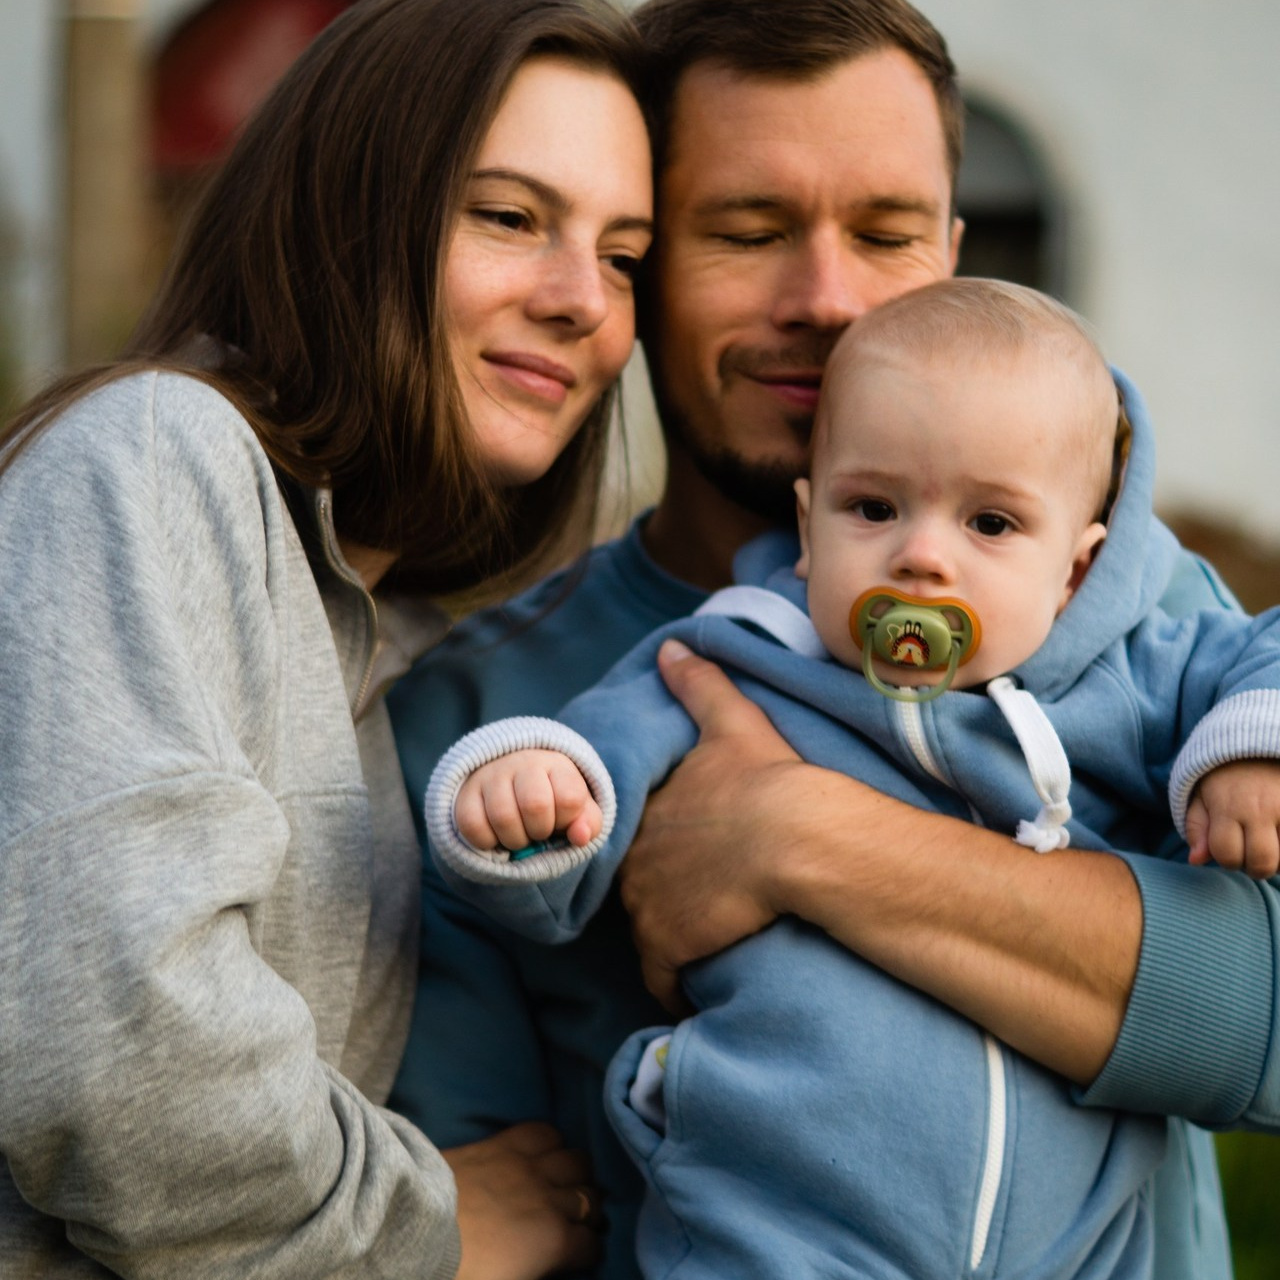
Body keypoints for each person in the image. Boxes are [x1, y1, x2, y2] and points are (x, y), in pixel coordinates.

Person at [387, 2, 1271, 1277]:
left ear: (955, 249)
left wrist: (793, 839)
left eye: (887, 232)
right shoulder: (488, 711)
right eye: (745, 233)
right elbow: (492, 1203)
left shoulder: (1130, 605)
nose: (828, 300)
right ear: (641, 266)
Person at [0, 0, 653, 1276]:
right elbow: (124, 1065)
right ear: (352, 212)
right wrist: (437, 1228)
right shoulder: (154, 455)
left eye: (623, 255)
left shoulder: (385, 627)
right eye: (510, 216)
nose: (584, 301)